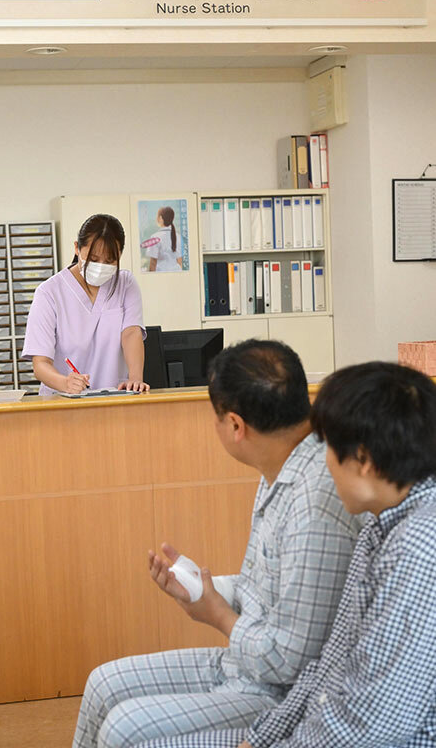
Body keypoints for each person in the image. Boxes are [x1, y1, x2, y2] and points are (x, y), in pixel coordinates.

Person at [72, 340, 360, 748]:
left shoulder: (314, 505)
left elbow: (288, 662)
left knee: (124, 728)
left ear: (236, 426)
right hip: (243, 663)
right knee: (102, 683)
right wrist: (201, 586)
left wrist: (218, 615)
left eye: (216, 417)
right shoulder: (279, 468)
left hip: (279, 694)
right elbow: (267, 588)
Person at [135, 361, 436, 748]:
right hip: (322, 721)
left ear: (363, 460)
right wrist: (259, 739)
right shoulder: (379, 529)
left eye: (330, 449)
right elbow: (328, 665)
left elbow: (372, 722)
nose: (323, 463)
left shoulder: (418, 544)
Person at [22, 214, 150, 394]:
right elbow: (40, 363)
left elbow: (131, 333)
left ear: (120, 255)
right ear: (77, 248)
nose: (101, 266)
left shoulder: (125, 284)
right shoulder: (49, 292)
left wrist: (135, 379)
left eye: (110, 260)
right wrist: (65, 383)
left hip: (114, 396)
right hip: (63, 401)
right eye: (94, 259)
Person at [146, 206, 183, 272]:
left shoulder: (154, 237)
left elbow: (153, 263)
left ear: (160, 218)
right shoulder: (178, 237)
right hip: (176, 272)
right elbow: (179, 261)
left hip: (161, 274)